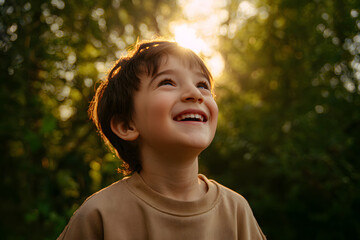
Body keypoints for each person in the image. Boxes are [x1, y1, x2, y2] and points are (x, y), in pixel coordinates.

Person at [58, 39, 266, 240]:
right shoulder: (98, 215)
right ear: (127, 125)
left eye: (202, 85)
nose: (195, 93)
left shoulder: (236, 211)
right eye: (167, 82)